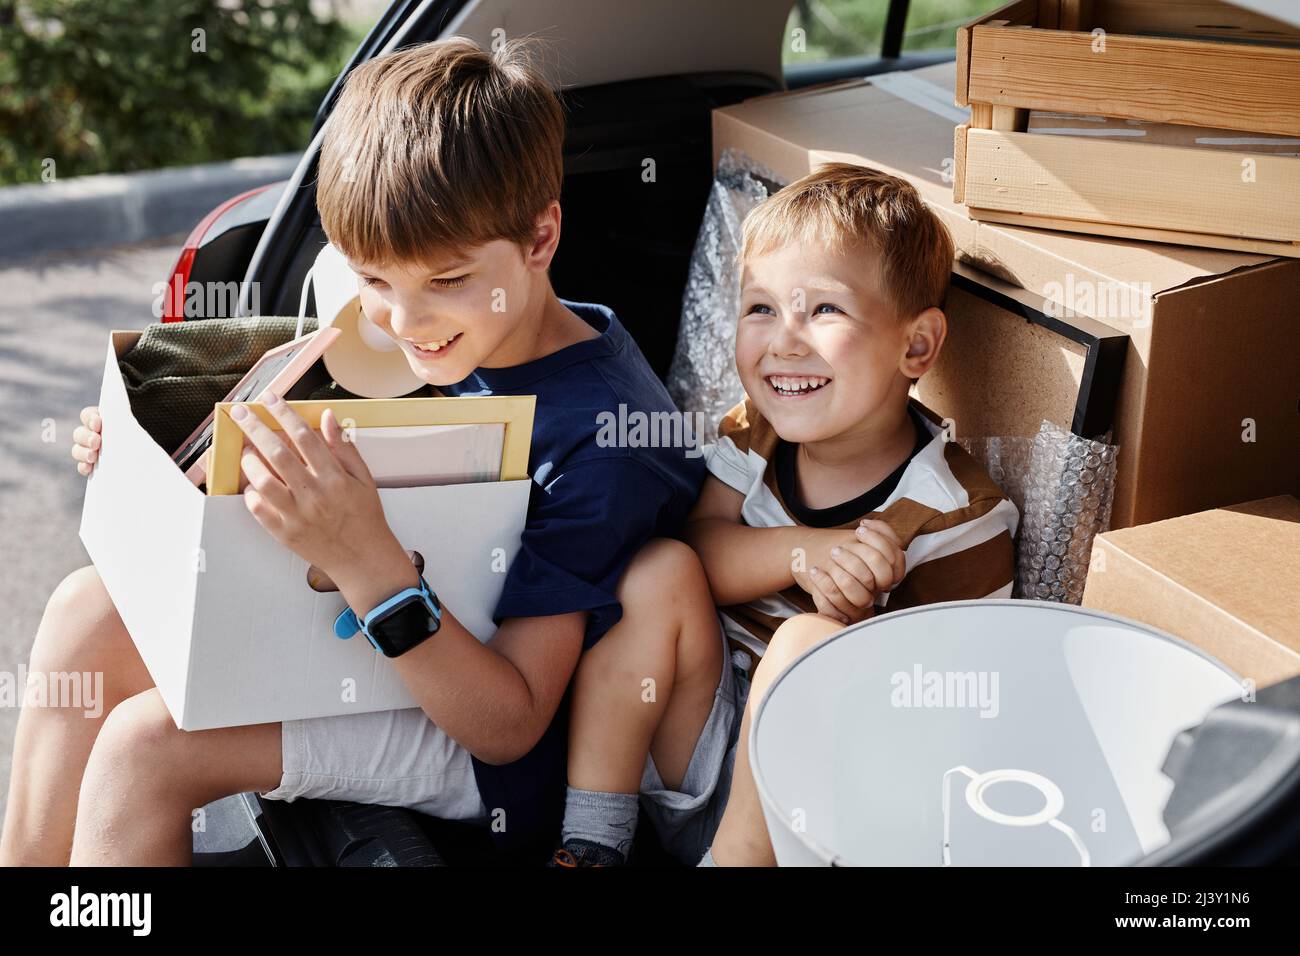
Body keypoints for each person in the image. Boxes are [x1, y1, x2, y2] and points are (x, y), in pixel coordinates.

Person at [2, 37, 703, 866]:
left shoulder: (603, 438)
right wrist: (153, 463)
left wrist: (369, 563)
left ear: (542, 236)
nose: (404, 324)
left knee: (145, 748)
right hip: (374, 639)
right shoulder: (458, 335)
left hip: (488, 748)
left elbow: (510, 727)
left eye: (444, 281)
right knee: (83, 612)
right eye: (374, 280)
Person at [549, 163, 1020, 867]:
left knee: (805, 646)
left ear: (916, 345)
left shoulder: (958, 514)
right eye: (760, 308)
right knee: (659, 567)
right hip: (704, 754)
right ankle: (592, 842)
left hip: (815, 814)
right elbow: (701, 550)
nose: (784, 341)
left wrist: (859, 638)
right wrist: (804, 550)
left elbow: (954, 722)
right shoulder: (755, 433)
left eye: (823, 310)